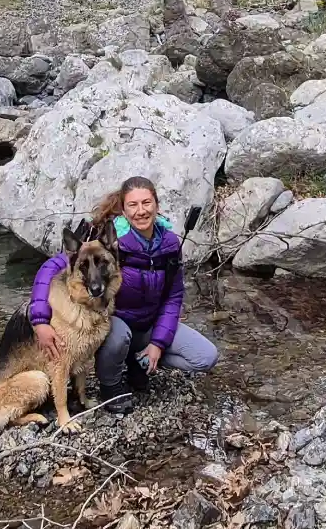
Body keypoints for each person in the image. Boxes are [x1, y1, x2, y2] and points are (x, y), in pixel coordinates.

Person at [27, 176, 219, 413]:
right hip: (117, 324)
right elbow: (49, 269)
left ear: (156, 205)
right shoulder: (104, 238)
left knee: (205, 357)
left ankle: (139, 361)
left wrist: (158, 343)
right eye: (133, 205)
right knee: (116, 334)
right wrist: (39, 321)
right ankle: (111, 385)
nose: (141, 211)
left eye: (147, 203)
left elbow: (173, 297)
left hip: (150, 325)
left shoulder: (170, 243)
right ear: (123, 208)